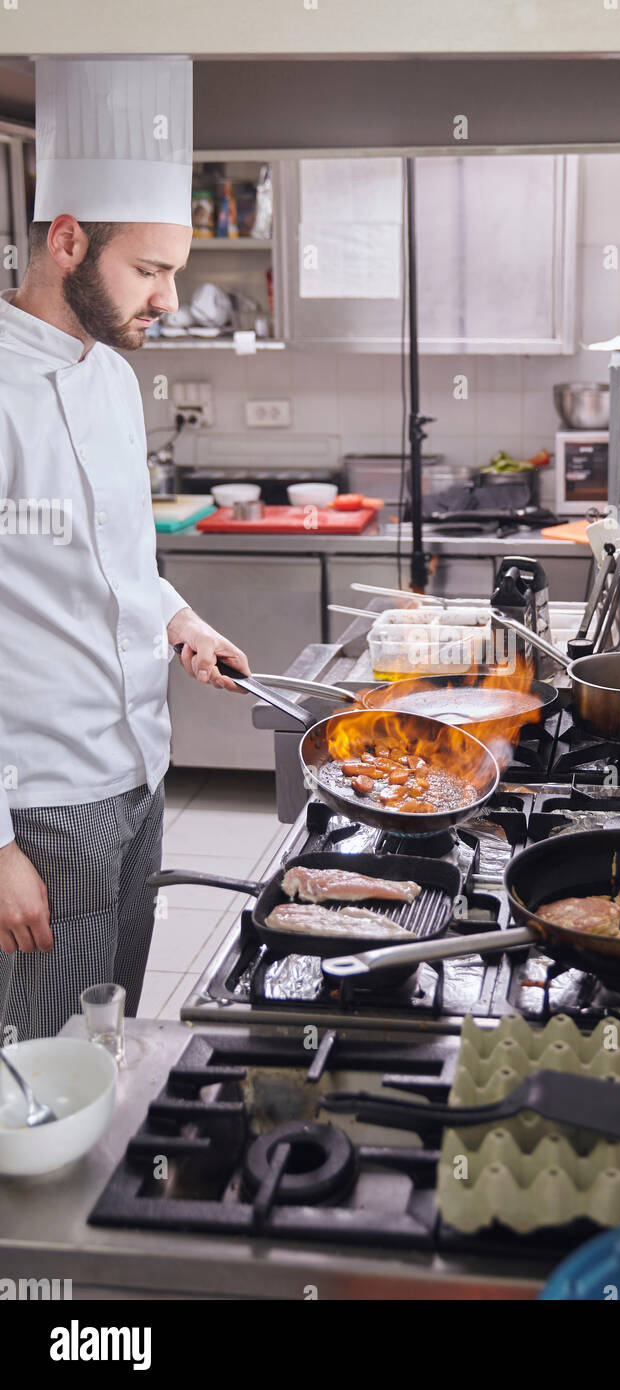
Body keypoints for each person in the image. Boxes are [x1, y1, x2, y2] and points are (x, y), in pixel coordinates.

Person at [0, 58, 251, 1041]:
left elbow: (114, 561)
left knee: (109, 1043)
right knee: (41, 1072)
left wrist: (180, 622)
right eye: (149, 270)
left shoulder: (109, 373)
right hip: (46, 800)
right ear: (67, 239)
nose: (170, 298)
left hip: (141, 776)